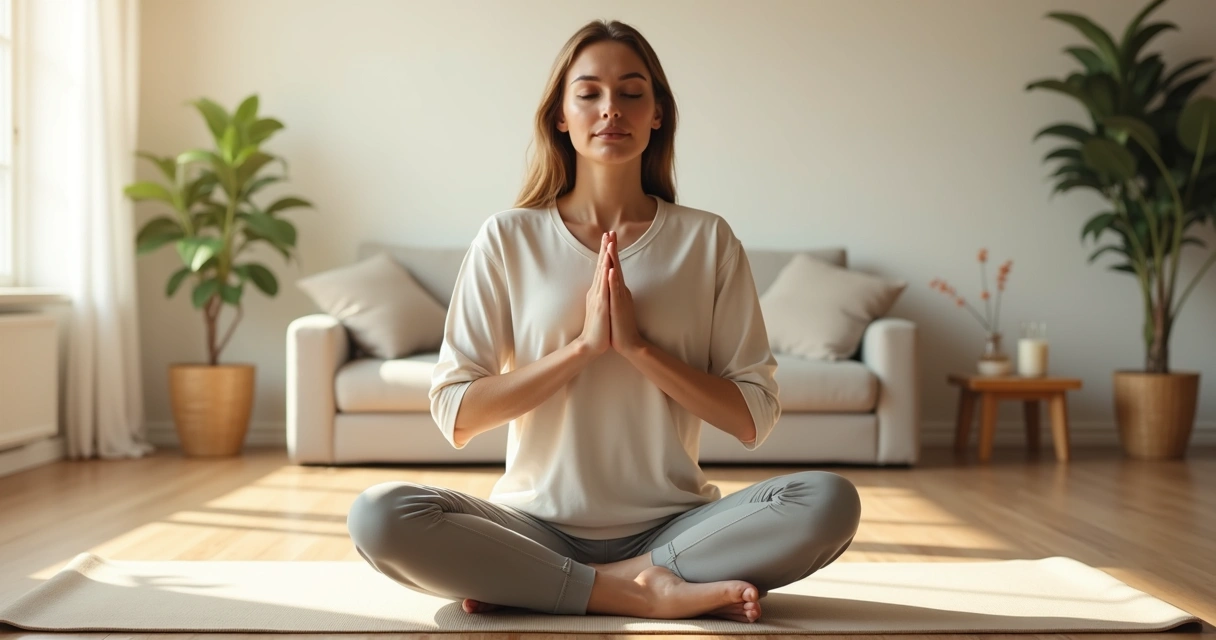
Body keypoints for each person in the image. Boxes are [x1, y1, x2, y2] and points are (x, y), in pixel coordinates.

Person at [346, 19, 861, 624]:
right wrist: (584, 349)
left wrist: (639, 348)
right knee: (379, 516)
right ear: (560, 115)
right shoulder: (509, 237)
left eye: (631, 91)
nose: (610, 108)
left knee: (828, 501)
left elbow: (753, 418)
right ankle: (638, 591)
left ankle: (556, 587)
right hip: (534, 526)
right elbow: (457, 414)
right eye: (588, 92)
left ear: (658, 113)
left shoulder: (707, 239)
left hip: (678, 530)